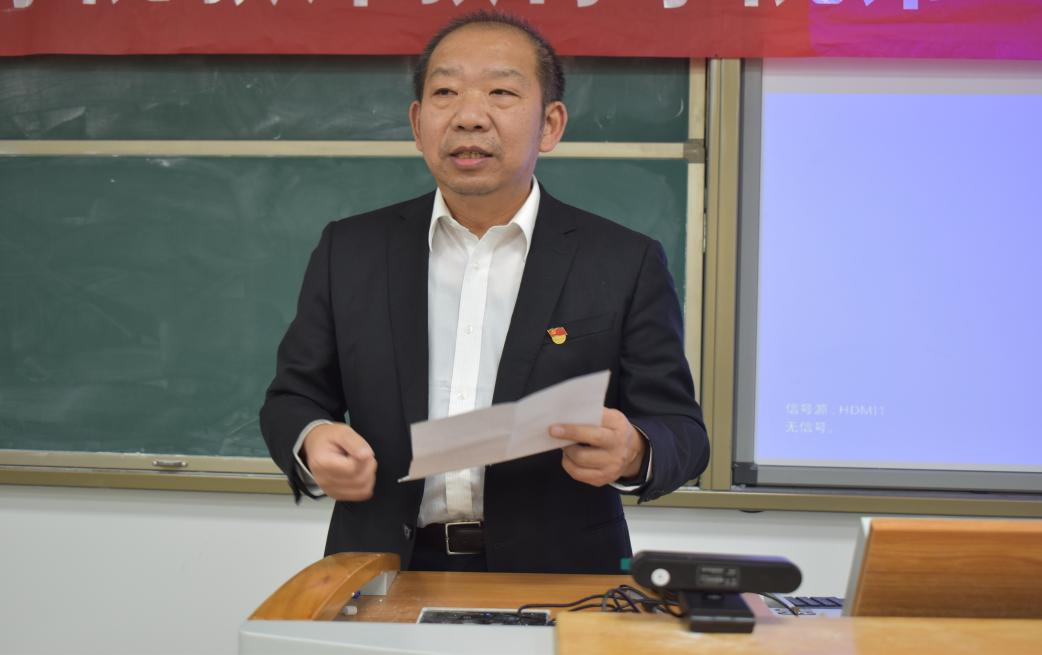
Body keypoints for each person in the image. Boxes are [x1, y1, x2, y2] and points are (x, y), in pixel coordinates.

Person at [259, 11, 708, 574]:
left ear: (550, 124)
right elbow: (292, 398)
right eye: (445, 93)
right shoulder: (350, 250)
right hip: (382, 568)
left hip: (559, 576)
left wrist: (636, 449)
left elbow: (682, 430)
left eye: (501, 92)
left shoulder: (623, 260)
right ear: (418, 122)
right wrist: (312, 438)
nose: (469, 116)